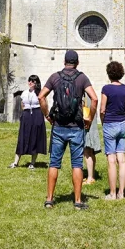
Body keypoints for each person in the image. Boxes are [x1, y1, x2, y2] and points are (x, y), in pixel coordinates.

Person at [38, 50, 98, 210]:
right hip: (76, 127)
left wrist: (47, 115)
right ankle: (78, 201)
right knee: (77, 164)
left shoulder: (55, 77)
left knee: (54, 163)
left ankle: (49, 200)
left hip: (58, 126)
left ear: (64, 61)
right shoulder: (82, 78)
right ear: (77, 62)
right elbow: (95, 98)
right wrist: (90, 119)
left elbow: (41, 97)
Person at [100, 61, 125, 200]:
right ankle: (121, 193)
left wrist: (103, 120)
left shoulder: (106, 89)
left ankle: (112, 193)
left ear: (109, 73)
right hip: (122, 124)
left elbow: (102, 109)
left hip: (109, 124)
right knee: (122, 160)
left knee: (111, 160)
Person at [9, 75, 47, 168]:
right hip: (26, 115)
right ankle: (15, 162)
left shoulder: (40, 93)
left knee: (35, 137)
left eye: (33, 81)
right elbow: (23, 104)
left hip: (37, 114)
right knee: (22, 137)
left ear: (36, 83)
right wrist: (25, 113)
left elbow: (44, 104)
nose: (30, 83)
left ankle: (32, 163)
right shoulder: (25, 92)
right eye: (29, 81)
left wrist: (44, 115)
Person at [82, 94, 102, 184]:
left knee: (87, 151)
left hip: (86, 124)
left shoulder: (83, 95)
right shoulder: (91, 94)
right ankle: (92, 175)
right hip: (92, 123)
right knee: (91, 152)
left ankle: (90, 178)